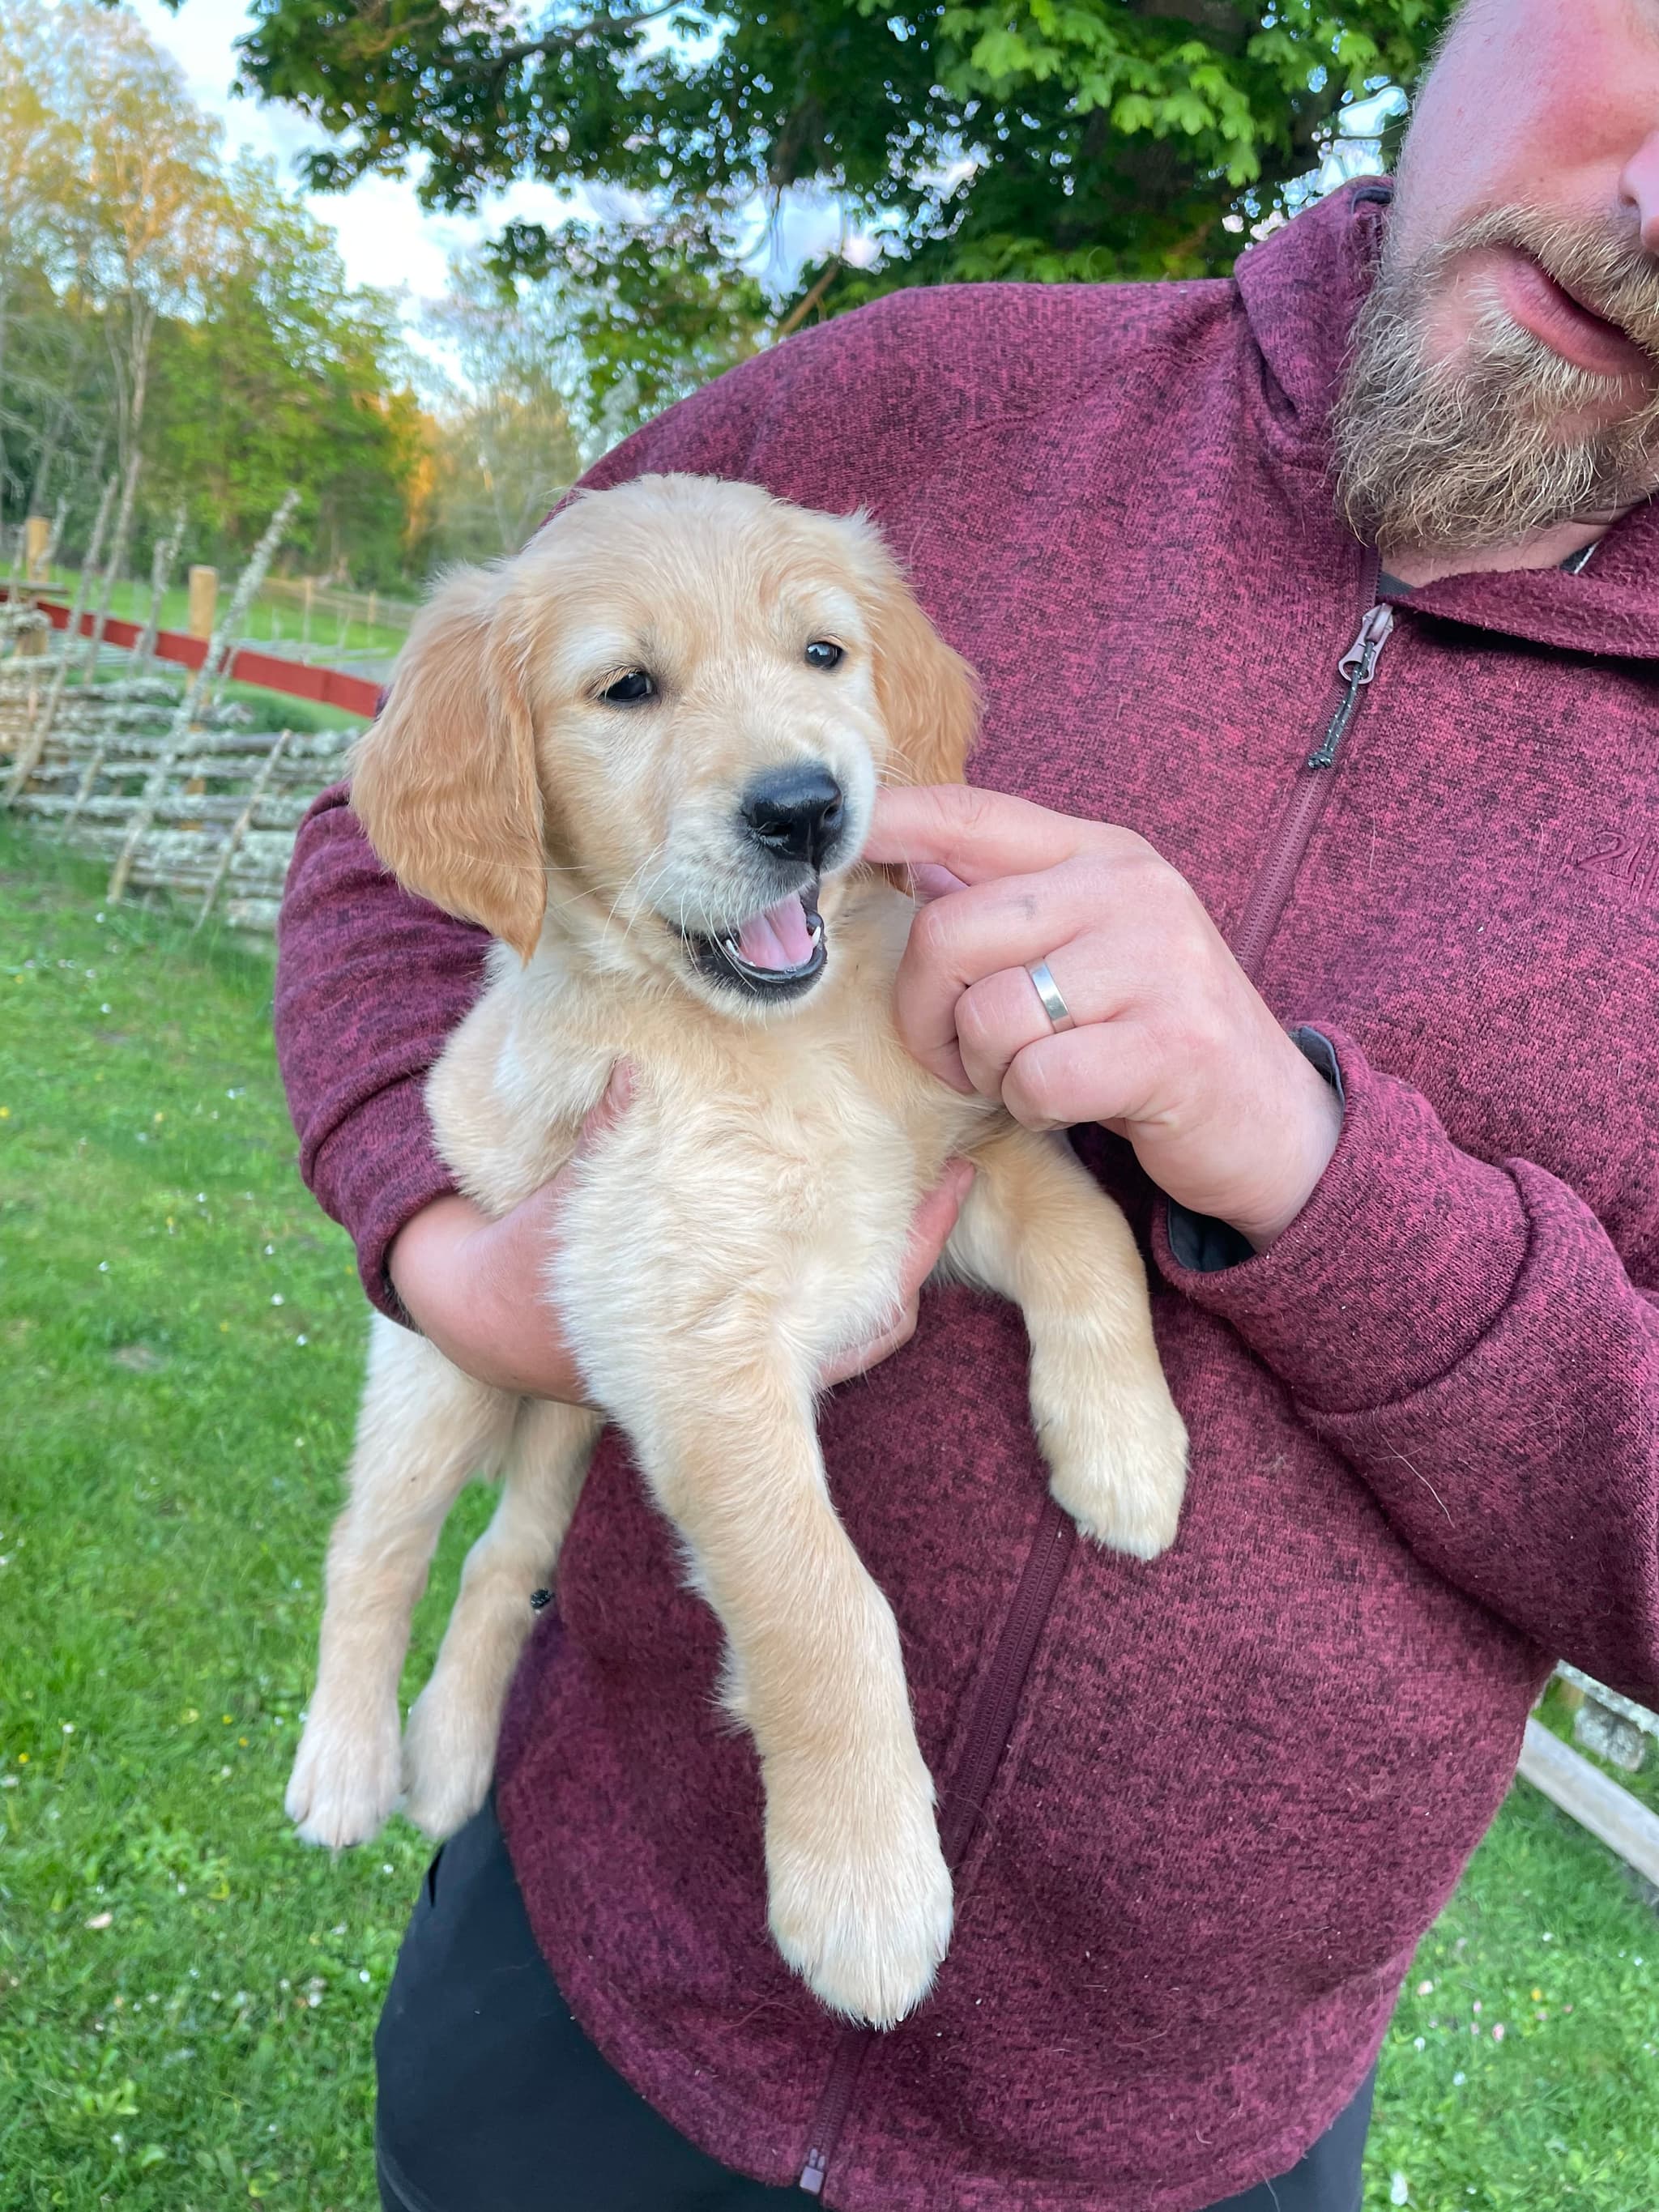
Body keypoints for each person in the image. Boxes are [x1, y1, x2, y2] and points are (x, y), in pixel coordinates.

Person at [274, 1, 1659, 2206]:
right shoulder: (927, 396)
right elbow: (396, 823)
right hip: (607, 1965)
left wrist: (1309, 1174)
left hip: (1184, 2136)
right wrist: (448, 1250)